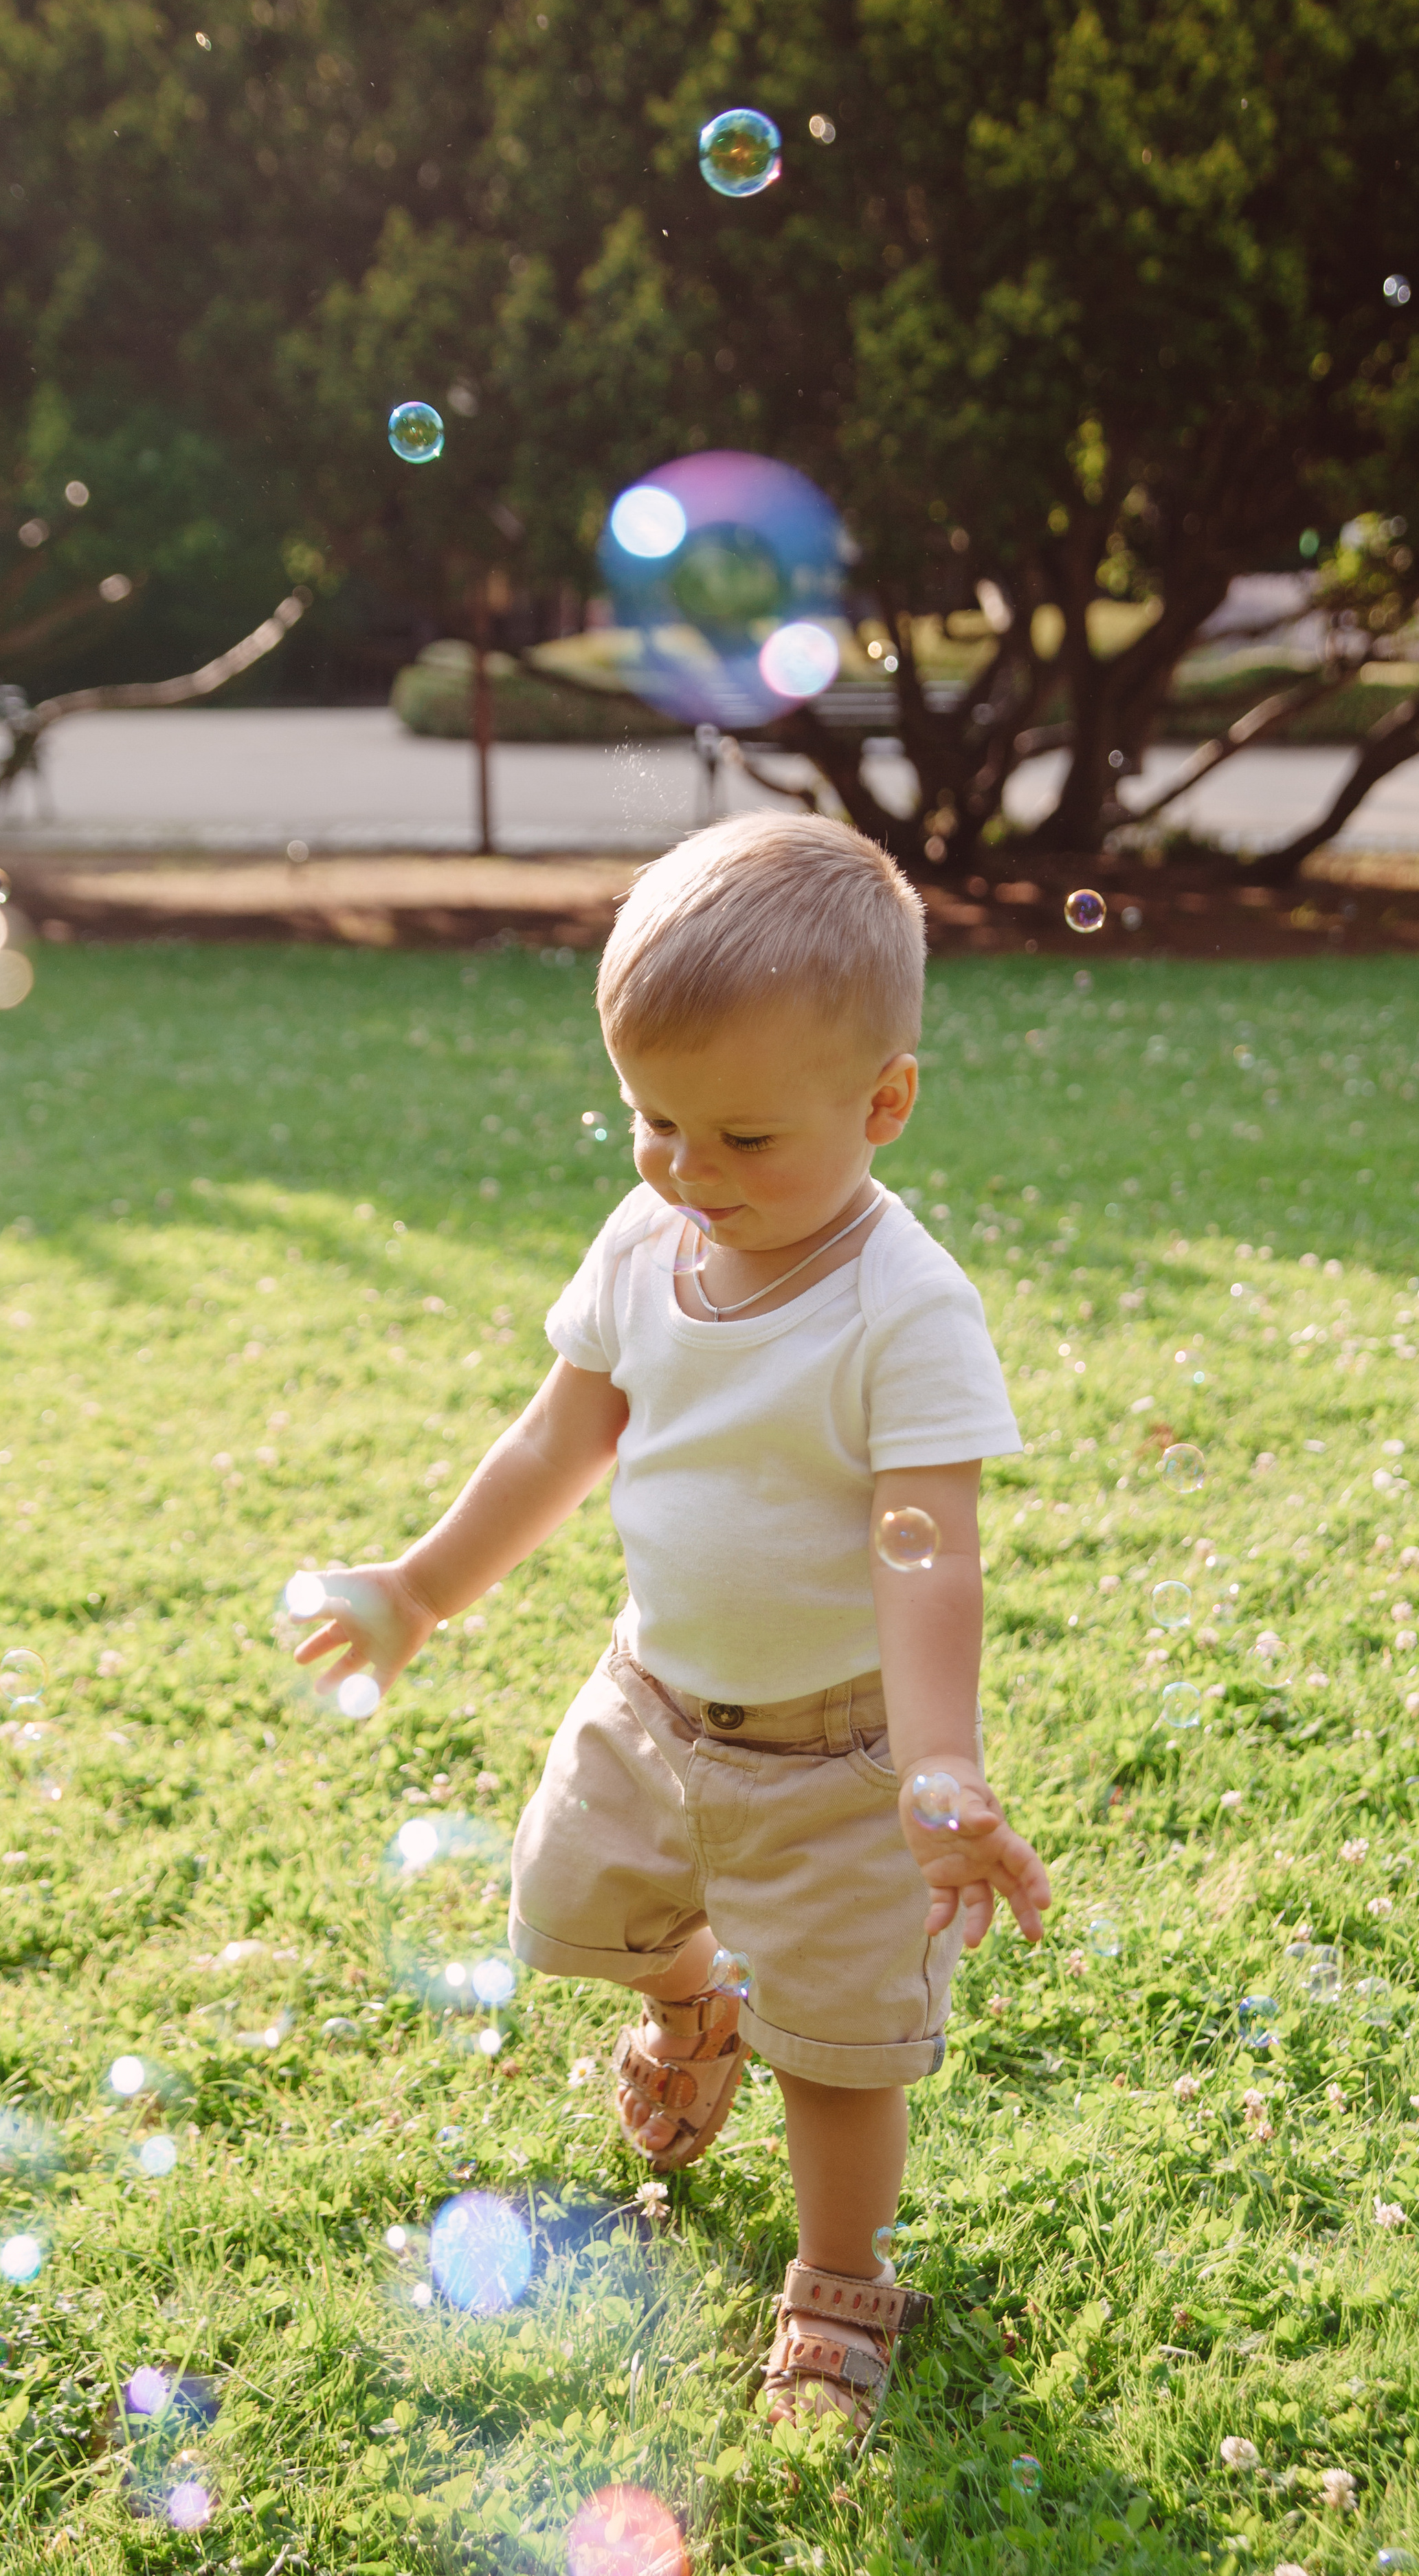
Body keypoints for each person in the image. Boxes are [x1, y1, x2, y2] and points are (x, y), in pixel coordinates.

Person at [295, 810, 1051, 2430]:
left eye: (743, 1141)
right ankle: (687, 1995)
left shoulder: (901, 1307)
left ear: (883, 1105)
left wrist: (937, 1774)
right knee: (580, 1898)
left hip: (836, 1753)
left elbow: (928, 1555)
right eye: (652, 1122)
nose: (688, 1175)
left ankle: (839, 2282)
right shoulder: (652, 1237)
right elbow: (557, 1437)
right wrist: (416, 1588)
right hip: (648, 1701)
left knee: (838, 2049)